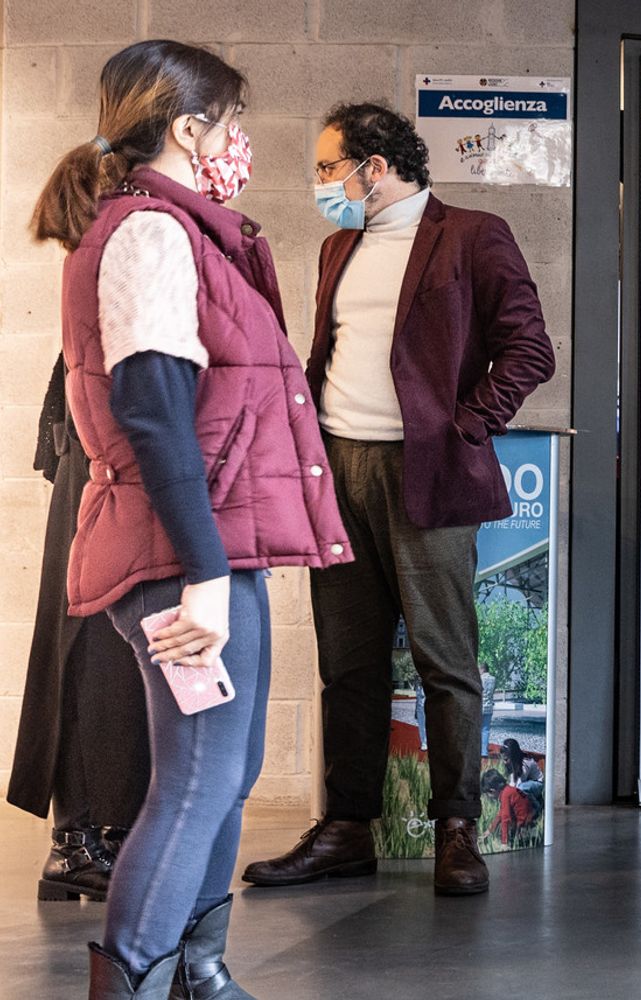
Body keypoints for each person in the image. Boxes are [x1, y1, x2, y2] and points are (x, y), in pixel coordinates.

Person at [32, 39, 352, 998]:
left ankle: (196, 975)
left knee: (226, 772)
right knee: (196, 781)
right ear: (187, 127)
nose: (241, 140)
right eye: (232, 121)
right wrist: (207, 572)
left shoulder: (187, 230)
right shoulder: (149, 232)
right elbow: (150, 410)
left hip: (206, 544)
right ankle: (133, 983)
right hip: (185, 553)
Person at [242, 103, 555, 898]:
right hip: (335, 473)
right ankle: (348, 829)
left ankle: (457, 829)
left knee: (445, 663)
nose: (320, 184)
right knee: (347, 665)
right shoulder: (337, 243)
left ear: (373, 166)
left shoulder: (472, 235)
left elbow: (531, 348)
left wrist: (467, 426)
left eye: (326, 168)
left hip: (429, 477)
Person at [8, 357, 150, 903]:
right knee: (91, 642)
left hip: (120, 446)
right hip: (102, 454)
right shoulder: (107, 276)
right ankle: (76, 840)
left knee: (124, 650)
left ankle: (111, 832)